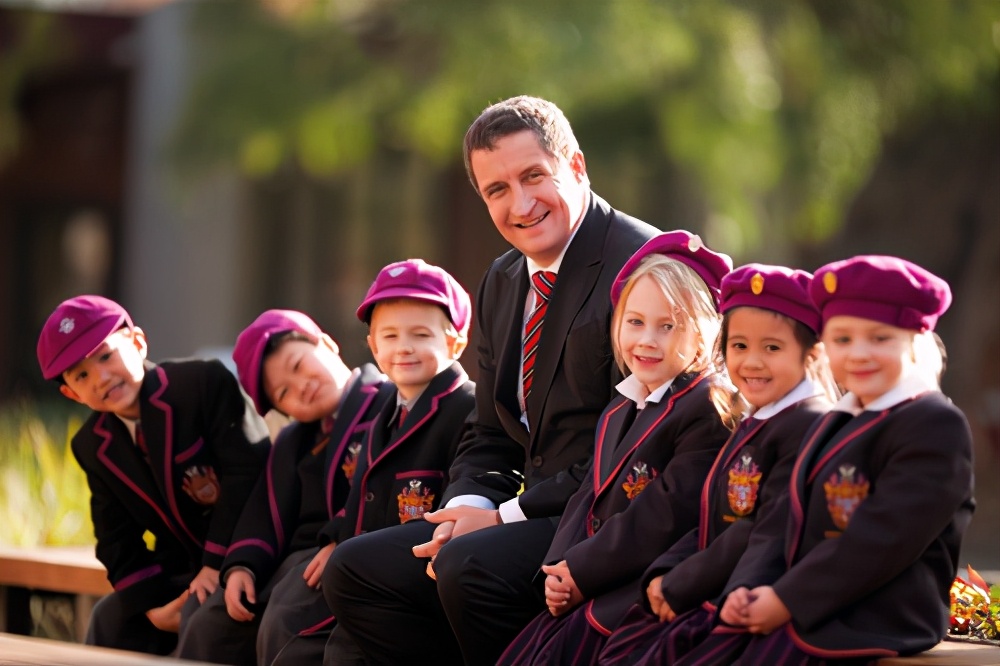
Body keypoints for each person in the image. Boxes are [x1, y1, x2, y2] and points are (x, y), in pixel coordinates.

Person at [322, 95, 659, 665]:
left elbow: (633, 446)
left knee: (467, 566)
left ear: (576, 166)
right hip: (531, 513)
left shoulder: (644, 268)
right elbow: (490, 432)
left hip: (609, 516)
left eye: (534, 176)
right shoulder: (503, 279)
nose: (520, 204)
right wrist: (466, 507)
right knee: (355, 569)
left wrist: (501, 518)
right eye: (497, 189)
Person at [680, 255, 975, 665]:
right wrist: (747, 588)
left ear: (915, 342)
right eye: (842, 339)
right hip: (804, 606)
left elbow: (881, 539)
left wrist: (786, 599)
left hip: (874, 619)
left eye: (880, 338)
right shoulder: (840, 418)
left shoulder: (933, 423)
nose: (858, 353)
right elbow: (783, 520)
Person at [498, 231, 734, 665]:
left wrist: (581, 571)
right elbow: (586, 497)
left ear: (704, 334)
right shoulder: (620, 406)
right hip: (593, 575)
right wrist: (560, 565)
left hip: (641, 581)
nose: (647, 340)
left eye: (668, 326)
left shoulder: (705, 407)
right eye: (635, 322)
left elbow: (664, 515)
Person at [597, 263, 838, 665]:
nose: (752, 362)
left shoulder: (807, 424)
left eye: (772, 348)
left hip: (757, 596)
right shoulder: (756, 419)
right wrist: (666, 570)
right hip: (715, 585)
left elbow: (762, 528)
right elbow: (711, 516)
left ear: (811, 353)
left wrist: (681, 583)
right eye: (739, 346)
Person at [35, 295, 269, 656]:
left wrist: (214, 564)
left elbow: (248, 475)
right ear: (72, 393)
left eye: (106, 356)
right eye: (82, 375)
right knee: (110, 620)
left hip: (250, 555)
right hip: (183, 568)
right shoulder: (93, 444)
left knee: (201, 617)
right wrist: (151, 605)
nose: (101, 378)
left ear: (138, 342)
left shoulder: (202, 384)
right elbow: (115, 536)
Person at [173, 308, 394, 664]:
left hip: (347, 556)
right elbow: (263, 512)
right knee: (207, 617)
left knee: (288, 615)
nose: (301, 387)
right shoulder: (292, 440)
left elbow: (387, 488)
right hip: (287, 564)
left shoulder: (389, 403)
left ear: (326, 344)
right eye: (283, 393)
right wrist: (243, 566)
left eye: (298, 365)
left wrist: (343, 537)